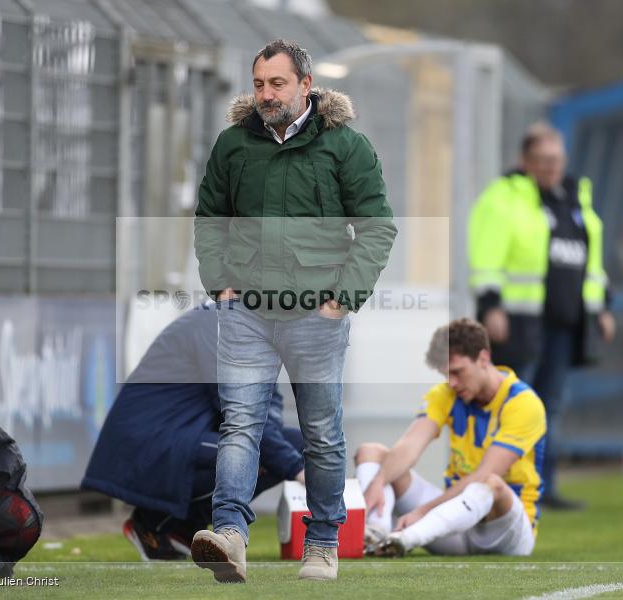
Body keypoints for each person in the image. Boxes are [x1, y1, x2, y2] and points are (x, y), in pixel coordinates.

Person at [192, 39, 397, 582]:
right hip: (246, 313)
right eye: (259, 84)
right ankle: (230, 535)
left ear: (306, 85)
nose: (266, 94)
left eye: (277, 84)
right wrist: (220, 285)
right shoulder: (233, 144)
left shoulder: (345, 146)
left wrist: (341, 300)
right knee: (240, 424)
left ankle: (323, 543)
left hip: (317, 316)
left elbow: (377, 229)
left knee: (321, 434)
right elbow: (209, 219)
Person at [81, 303, 304, 560]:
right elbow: (241, 412)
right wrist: (297, 470)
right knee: (251, 455)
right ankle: (152, 523)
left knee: (300, 445)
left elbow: (266, 407)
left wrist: (296, 460)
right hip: (151, 440)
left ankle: (183, 527)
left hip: (187, 433)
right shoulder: (216, 324)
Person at [468, 122, 614, 510]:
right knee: (510, 404)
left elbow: (591, 261)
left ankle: (543, 488)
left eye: (556, 160)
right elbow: (486, 255)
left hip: (565, 322)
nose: (551, 167)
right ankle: (497, 487)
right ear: (525, 160)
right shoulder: (504, 197)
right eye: (543, 160)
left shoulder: (575, 199)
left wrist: (601, 307)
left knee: (550, 407)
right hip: (520, 321)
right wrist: (491, 305)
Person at [356, 319, 545, 557]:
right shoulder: (445, 393)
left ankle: (406, 538)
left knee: (491, 483)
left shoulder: (523, 402)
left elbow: (485, 474)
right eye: (446, 375)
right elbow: (410, 446)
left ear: (483, 358)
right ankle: (375, 534)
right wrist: (378, 481)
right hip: (454, 525)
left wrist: (423, 511)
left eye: (457, 372)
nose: (452, 383)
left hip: (506, 532)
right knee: (372, 453)